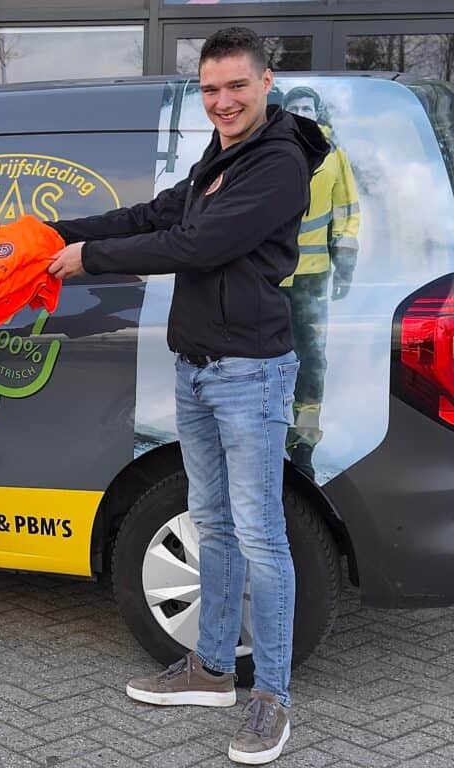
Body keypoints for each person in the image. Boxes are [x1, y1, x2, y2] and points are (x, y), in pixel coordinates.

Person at [48, 28, 327, 765]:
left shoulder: (278, 163)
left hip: (249, 372)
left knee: (261, 535)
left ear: (266, 82)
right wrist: (52, 232)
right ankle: (210, 670)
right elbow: (156, 214)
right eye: (209, 89)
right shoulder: (222, 155)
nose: (222, 101)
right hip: (198, 366)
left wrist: (87, 259)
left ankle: (272, 698)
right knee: (212, 524)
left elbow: (195, 245)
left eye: (236, 86)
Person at [281, 85, 360, 478]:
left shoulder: (333, 154)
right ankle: (265, 434)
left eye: (307, 106)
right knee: (262, 359)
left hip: (312, 280)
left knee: (311, 360)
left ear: (317, 111)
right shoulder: (268, 149)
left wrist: (345, 266)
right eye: (294, 106)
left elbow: (347, 212)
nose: (302, 112)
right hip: (266, 277)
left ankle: (303, 443)